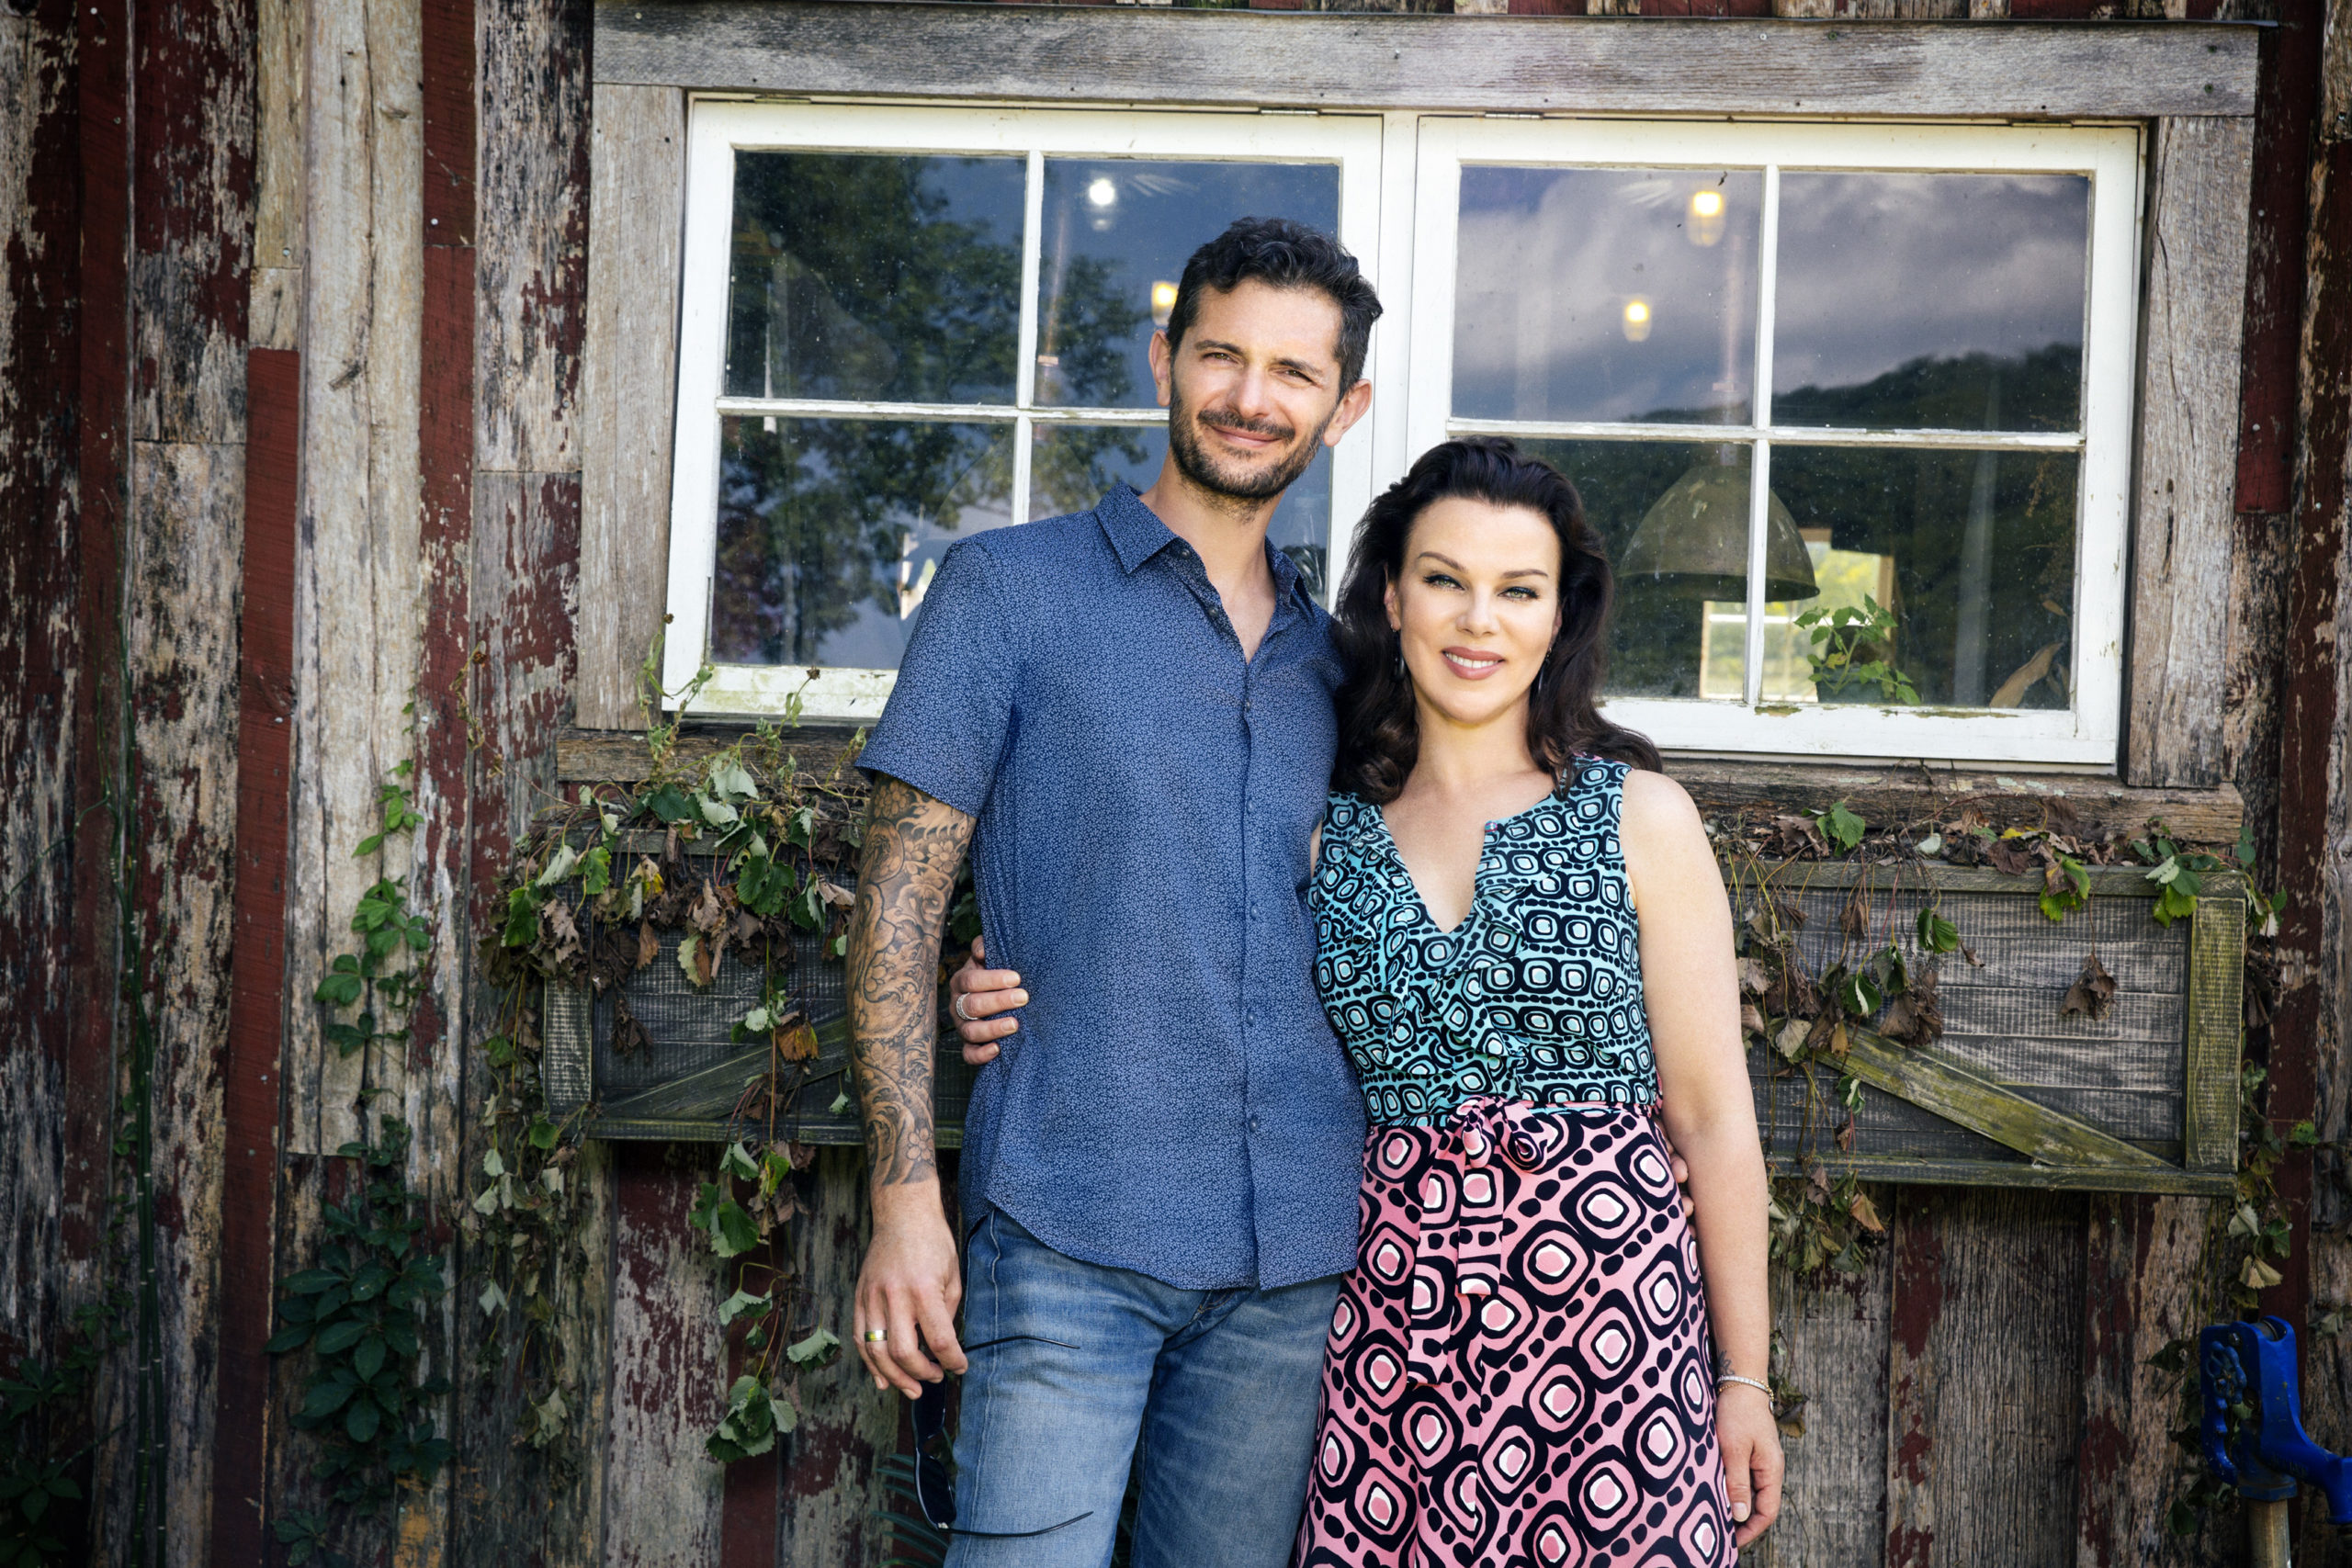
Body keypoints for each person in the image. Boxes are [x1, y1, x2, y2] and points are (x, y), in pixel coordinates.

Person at [958, 439, 1784, 1564]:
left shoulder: (1640, 819)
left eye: (1517, 591)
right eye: (1444, 580)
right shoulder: (1327, 825)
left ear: (1559, 618)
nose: (1476, 621)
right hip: (1395, 1330)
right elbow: (1165, 940)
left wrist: (1742, 1378)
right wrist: (999, 976)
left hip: (1611, 1333)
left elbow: (1716, 1124)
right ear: (1392, 597)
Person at [844, 216, 1381, 1568]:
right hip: (1069, 1232)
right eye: (1222, 355)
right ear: (1163, 360)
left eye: (1294, 373)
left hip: (1295, 1260)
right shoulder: (1008, 593)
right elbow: (903, 901)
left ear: (1344, 404)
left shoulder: (1358, 669)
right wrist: (906, 1197)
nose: (1252, 397)